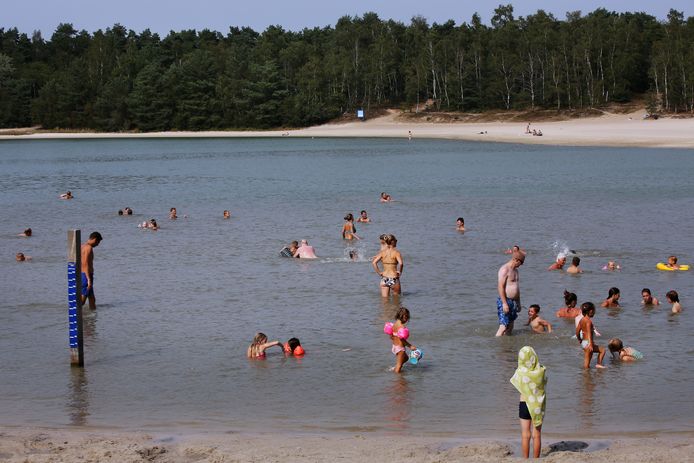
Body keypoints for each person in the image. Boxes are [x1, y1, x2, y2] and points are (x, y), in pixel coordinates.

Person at [510, 346, 546, 459]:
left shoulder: (520, 372)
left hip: (524, 404)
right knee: (537, 434)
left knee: (525, 435)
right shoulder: (542, 370)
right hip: (538, 406)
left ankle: (525, 459)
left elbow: (515, 382)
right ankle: (536, 459)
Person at [496, 251, 524, 336]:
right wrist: (504, 303)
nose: (521, 265)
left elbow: (517, 288)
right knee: (503, 326)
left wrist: (519, 303)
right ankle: (497, 345)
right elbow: (500, 287)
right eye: (521, 262)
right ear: (516, 260)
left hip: (514, 302)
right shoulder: (505, 269)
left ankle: (507, 348)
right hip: (505, 300)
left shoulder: (516, 271)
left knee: (510, 327)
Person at [384, 306, 417, 373]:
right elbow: (402, 339)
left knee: (406, 358)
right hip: (400, 348)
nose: (407, 320)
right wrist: (410, 346)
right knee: (399, 366)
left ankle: (396, 368)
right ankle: (398, 380)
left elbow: (391, 336)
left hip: (395, 346)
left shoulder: (394, 325)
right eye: (407, 317)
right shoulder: (401, 327)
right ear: (404, 317)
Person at [576, 302, 606, 369]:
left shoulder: (581, 320)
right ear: (591, 311)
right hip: (588, 343)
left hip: (584, 342)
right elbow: (589, 332)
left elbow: (577, 332)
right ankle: (598, 364)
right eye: (594, 311)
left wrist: (579, 339)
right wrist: (590, 343)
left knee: (588, 361)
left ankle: (587, 376)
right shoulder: (588, 321)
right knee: (602, 350)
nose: (594, 313)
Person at [81, 231, 103, 311]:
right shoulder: (88, 248)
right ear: (94, 239)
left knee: (92, 299)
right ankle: (75, 312)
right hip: (86, 276)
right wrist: (89, 280)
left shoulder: (82, 246)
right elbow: (85, 264)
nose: (98, 244)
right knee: (82, 301)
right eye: (98, 242)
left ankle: (92, 319)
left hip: (83, 274)